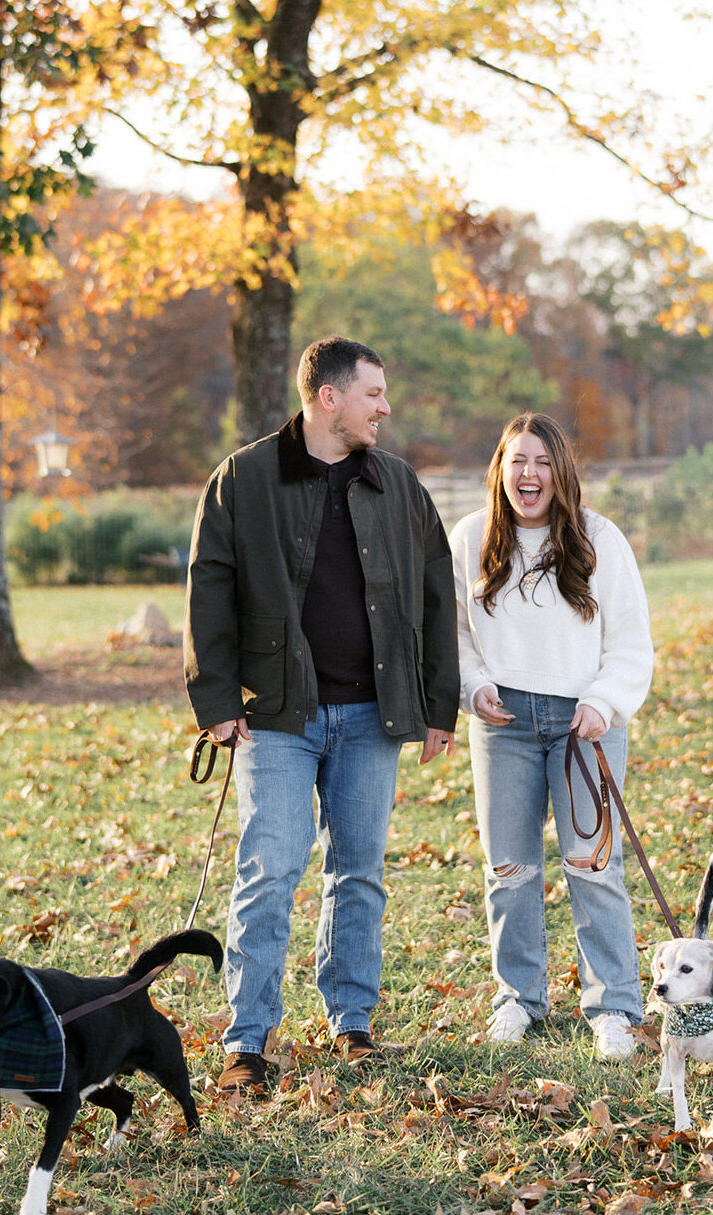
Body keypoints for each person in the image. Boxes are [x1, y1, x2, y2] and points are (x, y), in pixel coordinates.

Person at [184, 335, 460, 1093]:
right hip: (277, 715)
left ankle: (352, 1024)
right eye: (373, 393)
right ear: (328, 397)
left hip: (374, 715)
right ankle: (247, 1040)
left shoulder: (398, 484)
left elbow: (436, 595)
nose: (385, 407)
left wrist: (437, 703)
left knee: (358, 874)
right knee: (269, 873)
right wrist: (215, 700)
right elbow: (208, 588)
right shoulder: (243, 478)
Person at [449, 412, 653, 1060]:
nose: (528, 474)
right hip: (502, 724)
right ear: (499, 470)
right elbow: (450, 632)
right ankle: (517, 999)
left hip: (581, 727)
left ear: (559, 471)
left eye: (541, 462)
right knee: (508, 871)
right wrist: (471, 685)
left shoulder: (599, 540)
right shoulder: (469, 539)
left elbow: (629, 642)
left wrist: (602, 703)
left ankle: (614, 1008)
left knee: (592, 867)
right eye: (517, 461)